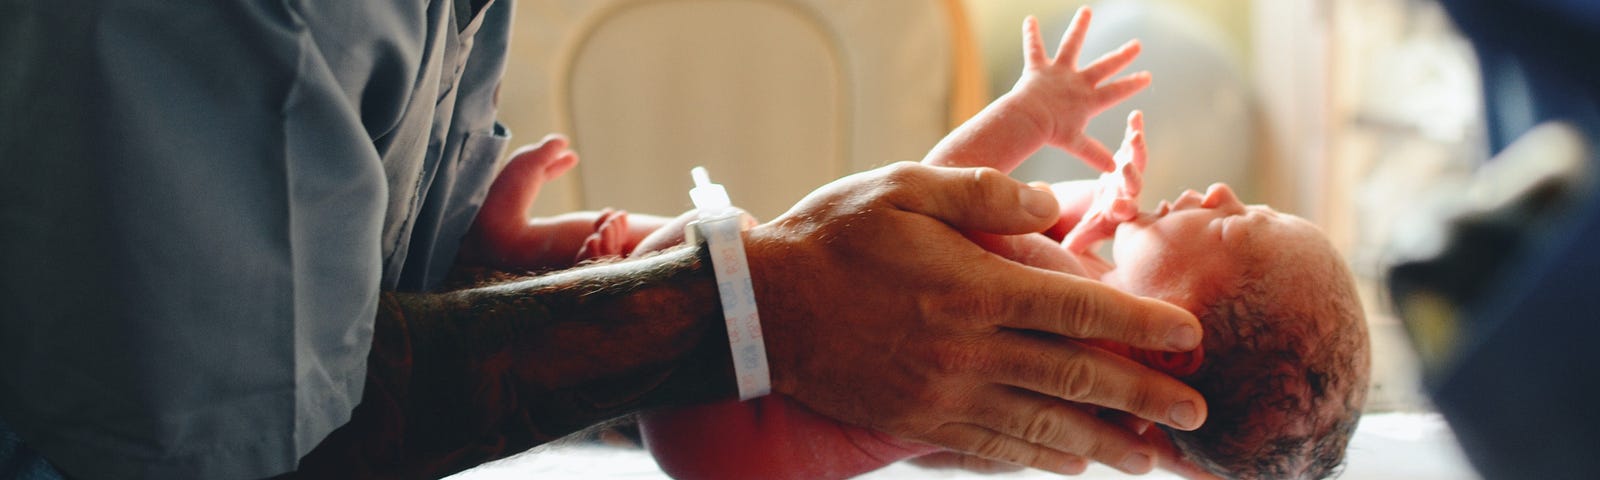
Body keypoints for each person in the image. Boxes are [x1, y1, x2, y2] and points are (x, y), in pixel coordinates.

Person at [0, 3, 1208, 479]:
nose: (1206, 200)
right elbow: (226, 427)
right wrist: (742, 299)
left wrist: (468, 258)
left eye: (1231, 230)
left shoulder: (1078, 360)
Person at [632, 13, 1370, 478]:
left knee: (682, 245)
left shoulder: (1054, 305)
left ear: (1175, 340)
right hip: (729, 445)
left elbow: (923, 208)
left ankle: (560, 252)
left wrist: (1035, 113)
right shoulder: (1083, 408)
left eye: (1233, 224)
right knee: (672, 245)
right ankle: (548, 247)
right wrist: (1094, 229)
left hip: (730, 408)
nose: (1219, 193)